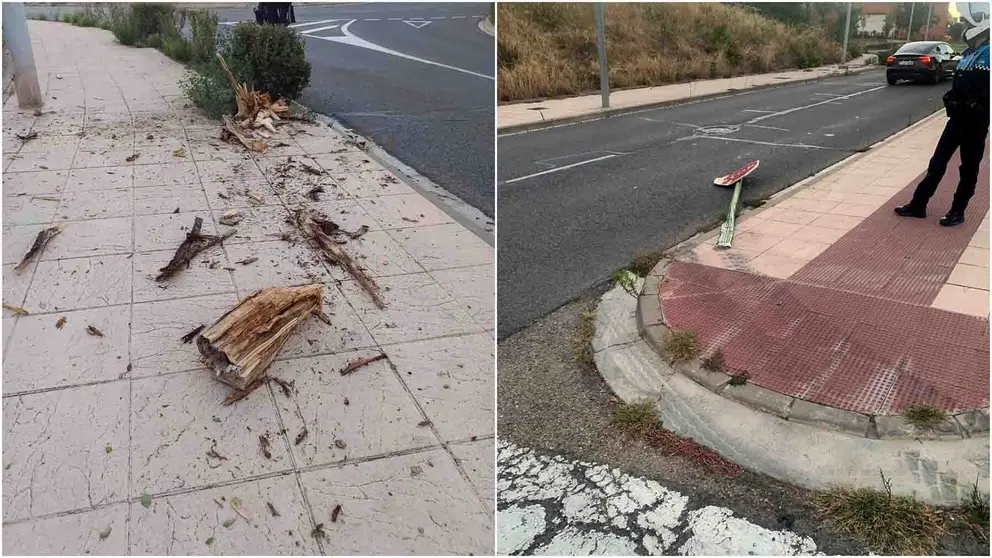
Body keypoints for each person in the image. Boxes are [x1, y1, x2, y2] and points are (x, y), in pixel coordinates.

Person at [894, 9, 989, 227]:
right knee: (937, 162)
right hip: (957, 118)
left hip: (976, 121)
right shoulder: (968, 53)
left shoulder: (989, 53)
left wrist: (976, 101)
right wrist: (952, 98)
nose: (964, 28)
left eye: (967, 23)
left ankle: (958, 211)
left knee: (968, 167)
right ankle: (918, 205)